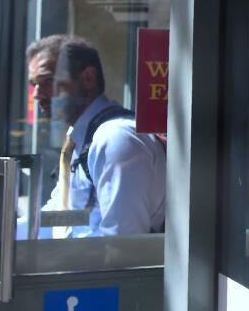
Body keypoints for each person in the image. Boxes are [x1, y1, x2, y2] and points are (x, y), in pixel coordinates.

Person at [27, 35, 166, 238]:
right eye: (34, 85)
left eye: (47, 81)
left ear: (88, 78)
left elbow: (123, 243)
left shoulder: (114, 139)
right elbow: (60, 215)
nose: (37, 94)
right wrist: (7, 235)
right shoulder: (81, 138)